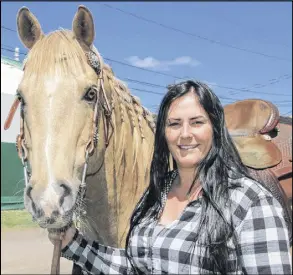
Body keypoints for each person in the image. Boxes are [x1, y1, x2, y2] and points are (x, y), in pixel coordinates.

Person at [49, 80, 292, 274]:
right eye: (174, 124)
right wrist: (73, 243)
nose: (185, 134)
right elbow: (135, 267)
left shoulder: (250, 201)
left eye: (197, 122)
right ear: (163, 133)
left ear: (215, 129)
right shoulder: (156, 195)